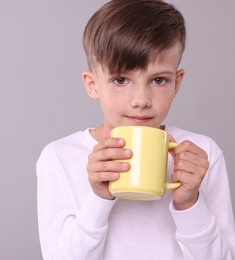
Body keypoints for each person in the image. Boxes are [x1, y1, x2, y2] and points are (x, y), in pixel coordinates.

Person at [36, 0, 235, 259]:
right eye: (121, 80)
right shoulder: (59, 157)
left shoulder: (202, 154)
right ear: (92, 84)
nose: (141, 100)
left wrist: (189, 203)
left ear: (177, 83)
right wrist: (98, 199)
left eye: (159, 80)